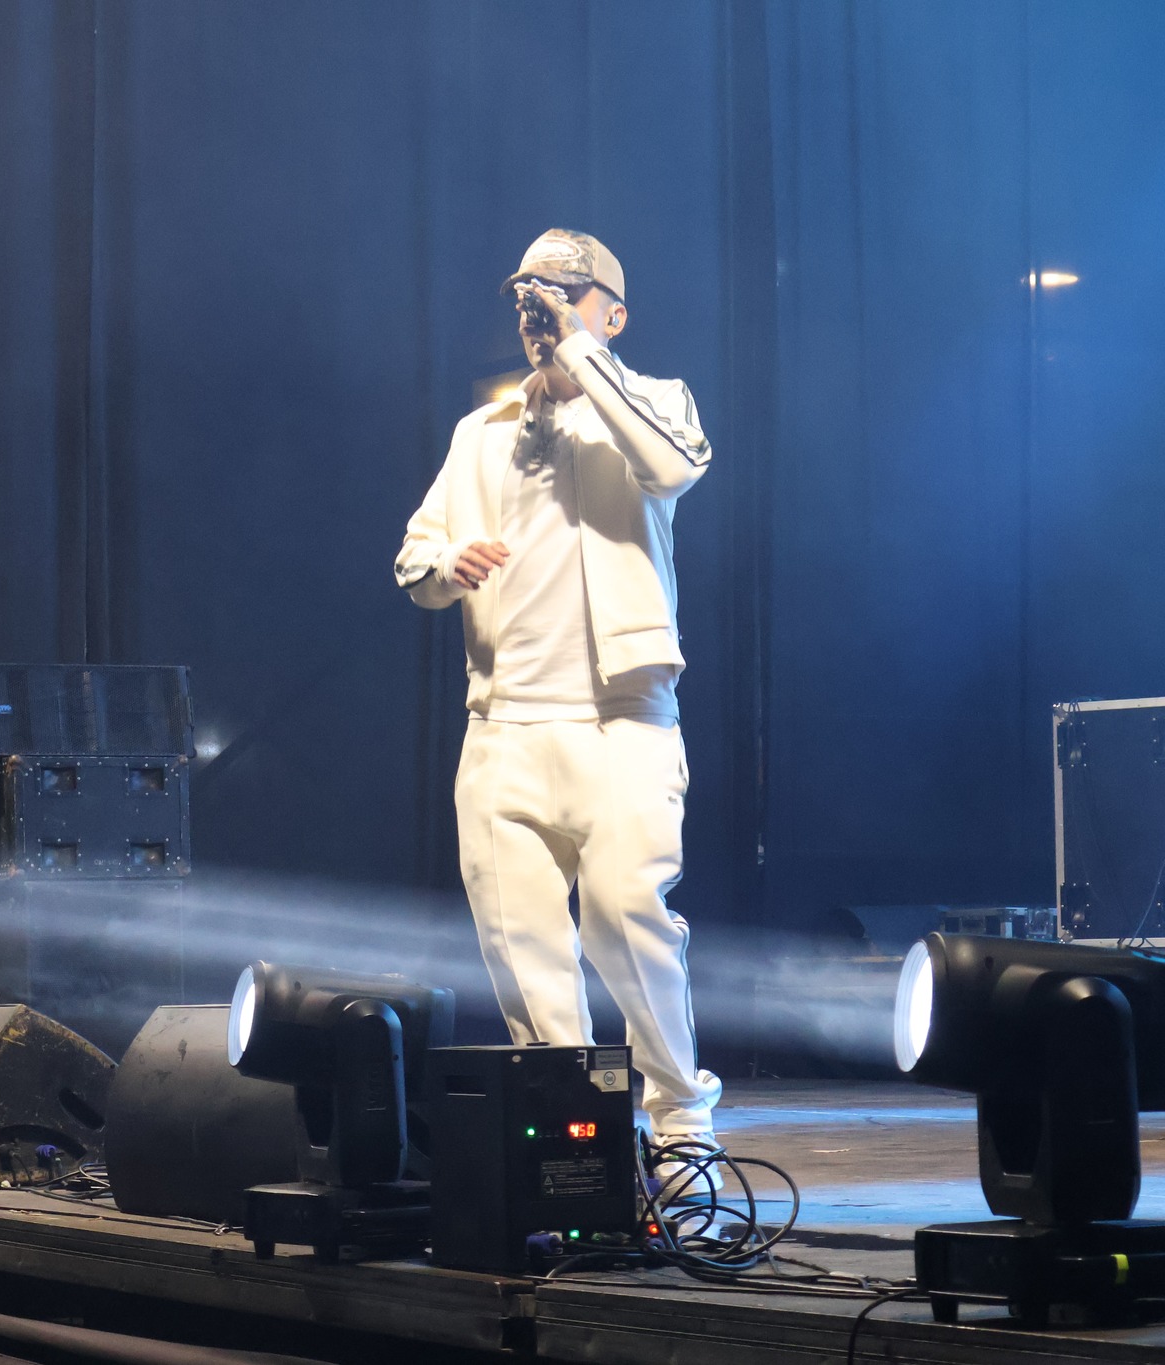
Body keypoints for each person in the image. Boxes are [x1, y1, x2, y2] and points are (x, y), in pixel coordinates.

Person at [395, 229, 723, 1167]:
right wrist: (446, 565)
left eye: (564, 294)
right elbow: (413, 557)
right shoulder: (481, 433)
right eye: (528, 297)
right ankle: (583, 1143)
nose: (538, 312)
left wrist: (581, 355)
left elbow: (673, 467)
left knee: (627, 916)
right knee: (525, 945)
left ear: (612, 313)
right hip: (504, 729)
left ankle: (682, 1125)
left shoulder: (656, 405)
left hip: (623, 723)